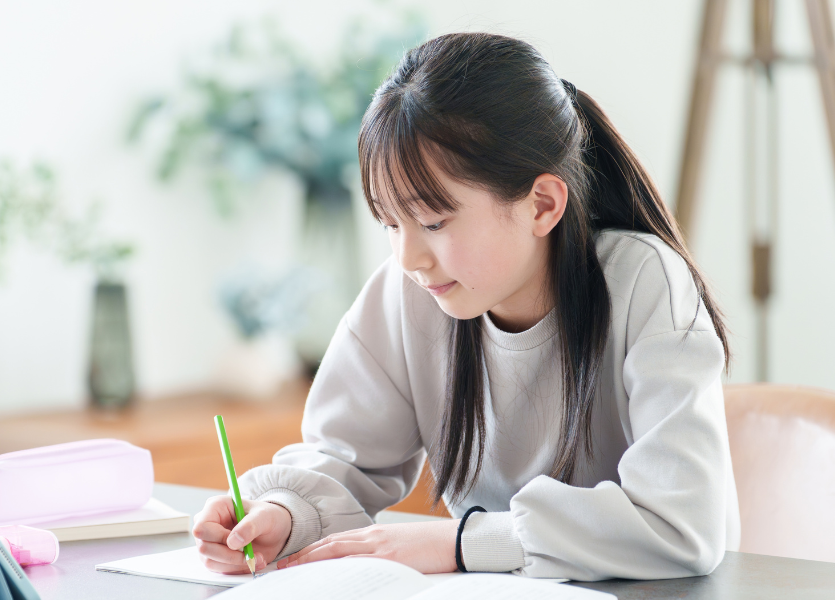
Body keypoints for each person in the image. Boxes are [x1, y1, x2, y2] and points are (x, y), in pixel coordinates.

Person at [191, 31, 739, 582]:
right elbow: (348, 458)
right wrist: (283, 514)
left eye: (433, 222)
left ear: (541, 204)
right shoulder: (411, 290)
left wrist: (465, 542)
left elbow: (677, 521)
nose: (409, 257)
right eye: (388, 222)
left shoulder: (644, 282)